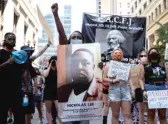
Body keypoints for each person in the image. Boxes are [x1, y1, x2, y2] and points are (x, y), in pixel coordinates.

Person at [21, 40, 51, 124]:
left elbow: (39, 53)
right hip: (19, 92)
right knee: (20, 113)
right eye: (26, 52)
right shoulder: (16, 62)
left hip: (29, 92)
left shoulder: (29, 61)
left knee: (28, 113)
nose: (28, 54)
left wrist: (47, 45)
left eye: (29, 52)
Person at [0, 32, 26, 124]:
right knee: (2, 115)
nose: (12, 41)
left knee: (20, 116)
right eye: (10, 39)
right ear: (5, 40)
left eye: (14, 39)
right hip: (3, 90)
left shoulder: (19, 54)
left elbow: (24, 72)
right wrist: (7, 62)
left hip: (16, 90)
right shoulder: (1, 53)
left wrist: (26, 88)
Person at [103, 48, 132, 124]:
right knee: (115, 115)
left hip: (125, 89)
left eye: (119, 53)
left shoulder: (126, 66)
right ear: (112, 55)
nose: (118, 54)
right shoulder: (108, 66)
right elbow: (104, 79)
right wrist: (112, 80)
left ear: (122, 56)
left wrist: (132, 89)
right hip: (114, 89)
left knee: (127, 114)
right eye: (116, 53)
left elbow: (130, 78)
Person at [139, 48, 167, 124]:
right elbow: (141, 79)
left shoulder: (164, 65)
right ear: (149, 55)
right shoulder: (145, 66)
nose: (153, 53)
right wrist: (143, 90)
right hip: (150, 88)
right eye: (151, 52)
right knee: (151, 115)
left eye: (155, 51)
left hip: (162, 89)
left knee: (163, 115)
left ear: (158, 54)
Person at [41, 56, 60, 124]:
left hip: (57, 92)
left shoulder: (59, 70)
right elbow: (45, 75)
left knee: (59, 110)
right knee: (48, 110)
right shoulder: (46, 69)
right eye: (53, 61)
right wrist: (49, 65)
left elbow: (61, 76)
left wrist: (57, 65)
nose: (54, 62)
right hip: (48, 92)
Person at [130, 49, 147, 124]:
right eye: (141, 56)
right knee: (141, 110)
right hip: (139, 90)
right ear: (139, 57)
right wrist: (133, 89)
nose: (143, 57)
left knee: (151, 111)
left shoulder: (150, 66)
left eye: (145, 55)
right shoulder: (135, 67)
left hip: (150, 88)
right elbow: (132, 78)